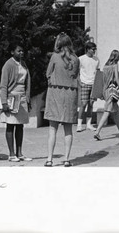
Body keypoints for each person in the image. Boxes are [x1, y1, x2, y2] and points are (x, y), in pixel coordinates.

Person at [44, 33, 80, 167]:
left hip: (55, 92)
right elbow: (75, 75)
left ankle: (49, 159)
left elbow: (48, 73)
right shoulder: (75, 59)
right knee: (68, 129)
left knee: (52, 129)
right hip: (70, 93)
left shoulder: (54, 56)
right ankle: (66, 159)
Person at [0, 42, 32, 162]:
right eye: (19, 51)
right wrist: (4, 102)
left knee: (20, 126)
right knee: (10, 125)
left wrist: (27, 99)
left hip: (22, 97)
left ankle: (19, 153)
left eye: (22, 50)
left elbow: (27, 82)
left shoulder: (23, 64)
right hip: (11, 97)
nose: (21, 53)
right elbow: (3, 85)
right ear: (12, 52)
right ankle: (11, 153)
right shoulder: (8, 65)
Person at [93, 50, 119, 141]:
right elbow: (116, 78)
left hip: (106, 90)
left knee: (115, 111)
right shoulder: (115, 65)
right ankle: (97, 132)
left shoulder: (105, 66)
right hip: (112, 91)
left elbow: (103, 80)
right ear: (117, 57)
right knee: (107, 111)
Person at [76, 42, 100, 132]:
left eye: (95, 49)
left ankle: (88, 124)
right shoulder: (81, 59)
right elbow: (76, 72)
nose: (94, 51)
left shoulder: (96, 60)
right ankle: (79, 125)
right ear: (88, 49)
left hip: (93, 84)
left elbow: (98, 72)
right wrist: (80, 82)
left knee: (91, 104)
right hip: (84, 83)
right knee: (83, 104)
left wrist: (98, 85)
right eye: (92, 49)